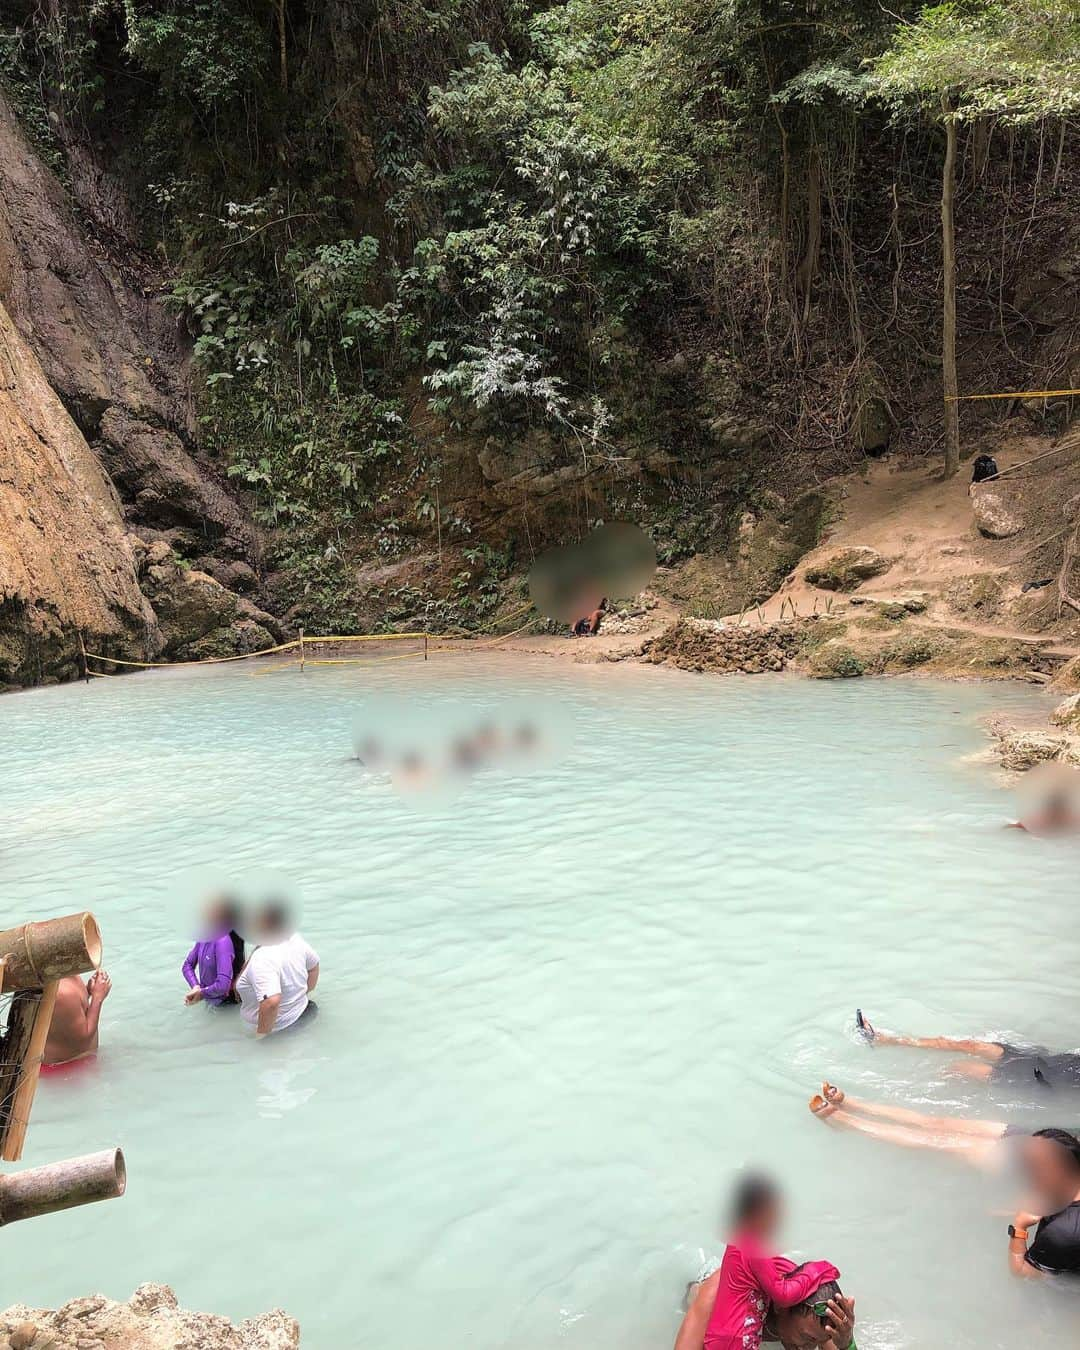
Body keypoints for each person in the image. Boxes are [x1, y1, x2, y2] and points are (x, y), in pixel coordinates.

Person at [809, 1086, 1080, 1278]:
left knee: (937, 1140)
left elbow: (1023, 1273)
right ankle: (854, 1106)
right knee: (939, 1127)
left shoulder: (1064, 1233)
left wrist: (1019, 1226)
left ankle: (846, 1119)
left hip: (1047, 1153)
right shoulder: (1061, 1215)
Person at [699, 1175, 840, 1350]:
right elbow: (783, 1294)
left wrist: (847, 1341)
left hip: (727, 1336)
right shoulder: (752, 1245)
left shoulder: (741, 1242)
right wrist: (821, 1270)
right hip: (734, 1338)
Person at [855, 1008, 1080, 1088]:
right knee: (967, 1044)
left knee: (958, 1068)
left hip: (1035, 1080)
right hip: (1040, 1059)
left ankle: (895, 1079)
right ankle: (884, 1040)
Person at [676, 1269, 855, 1350]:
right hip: (716, 1288)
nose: (809, 1348)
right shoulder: (719, 1301)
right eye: (807, 1338)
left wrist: (847, 1344)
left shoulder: (813, 1320)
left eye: (817, 1342)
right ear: (781, 1307)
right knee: (691, 1301)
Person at [235, 903, 319, 1038]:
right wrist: (299, 996)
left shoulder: (262, 958)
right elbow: (314, 967)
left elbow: (271, 1002)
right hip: (303, 1013)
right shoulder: (293, 938)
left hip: (277, 1031)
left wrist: (261, 1038)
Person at [182, 898, 245, 1008]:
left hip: (226, 1004)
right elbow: (187, 966)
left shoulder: (222, 942)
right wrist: (196, 987)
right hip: (209, 997)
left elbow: (222, 985)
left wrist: (201, 993)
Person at [43, 970, 111, 1066]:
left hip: (77, 1062)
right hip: (63, 1069)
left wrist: (88, 991)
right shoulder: (62, 993)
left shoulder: (67, 975)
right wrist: (97, 997)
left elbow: (72, 1011)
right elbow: (83, 1040)